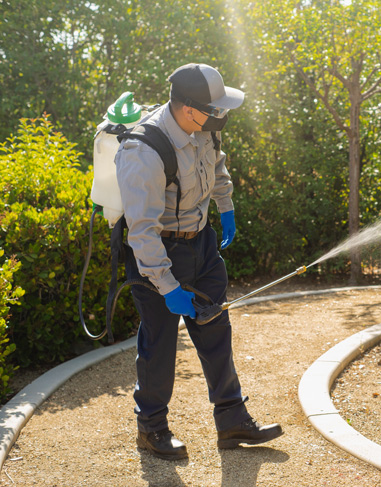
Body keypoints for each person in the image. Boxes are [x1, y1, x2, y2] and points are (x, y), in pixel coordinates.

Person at [115, 63, 283, 460]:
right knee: (159, 342)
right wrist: (167, 286)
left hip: (202, 244)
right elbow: (141, 233)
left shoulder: (203, 127)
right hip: (158, 253)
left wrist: (225, 207)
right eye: (215, 109)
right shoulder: (143, 151)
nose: (221, 117)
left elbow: (217, 167)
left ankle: (232, 421)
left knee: (216, 331)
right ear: (189, 108)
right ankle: (151, 429)